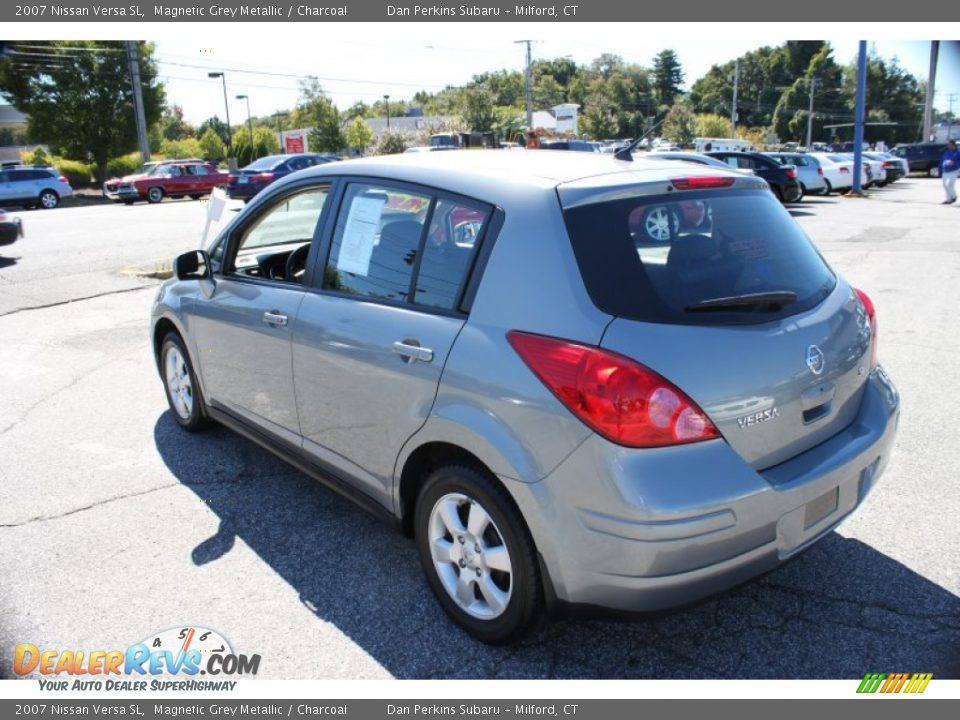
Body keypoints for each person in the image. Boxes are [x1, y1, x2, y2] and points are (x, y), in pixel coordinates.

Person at [940, 140, 960, 204]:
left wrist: (954, 163)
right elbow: (942, 161)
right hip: (945, 171)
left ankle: (954, 196)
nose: (949, 146)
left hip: (953, 171)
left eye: (950, 145)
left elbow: (958, 162)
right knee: (945, 185)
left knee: (949, 184)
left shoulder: (958, 153)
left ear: (953, 145)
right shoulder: (946, 153)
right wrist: (940, 168)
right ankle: (948, 199)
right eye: (948, 145)